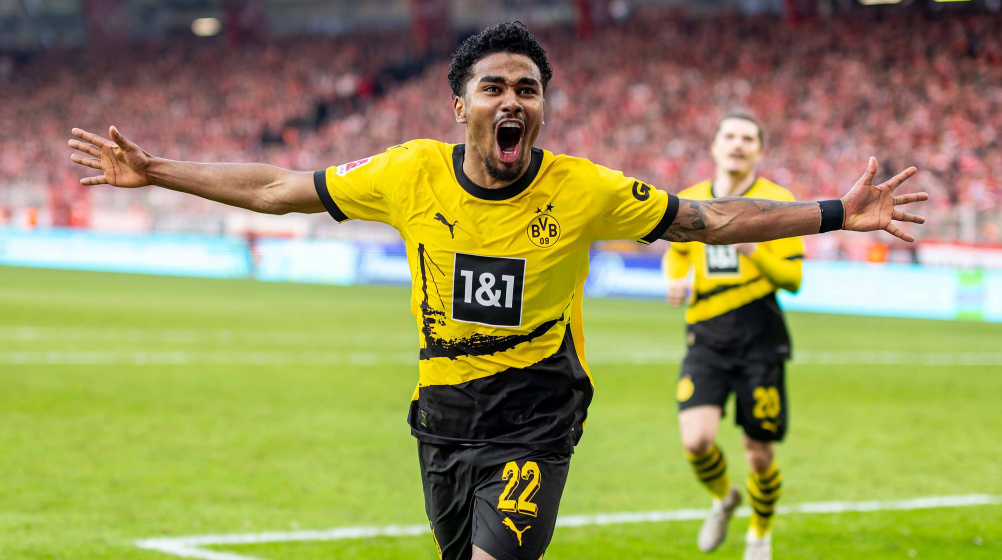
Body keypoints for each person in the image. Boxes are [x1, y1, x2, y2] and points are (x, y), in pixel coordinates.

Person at [68, 22, 926, 560]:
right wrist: (156, 170)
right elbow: (275, 188)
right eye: (494, 88)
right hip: (441, 412)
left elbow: (707, 219)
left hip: (537, 407)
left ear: (542, 107)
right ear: (460, 106)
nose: (513, 100)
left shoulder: (584, 188)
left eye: (528, 89)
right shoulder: (405, 173)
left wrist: (834, 213)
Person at [664, 114, 803, 560]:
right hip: (706, 337)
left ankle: (760, 534)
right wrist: (675, 278)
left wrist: (753, 249)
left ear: (760, 150)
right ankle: (724, 498)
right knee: (696, 440)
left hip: (760, 340)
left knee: (759, 454)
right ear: (714, 146)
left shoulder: (778, 201)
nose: (737, 144)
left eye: (747, 138)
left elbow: (793, 279)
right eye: (729, 136)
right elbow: (677, 254)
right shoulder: (690, 200)